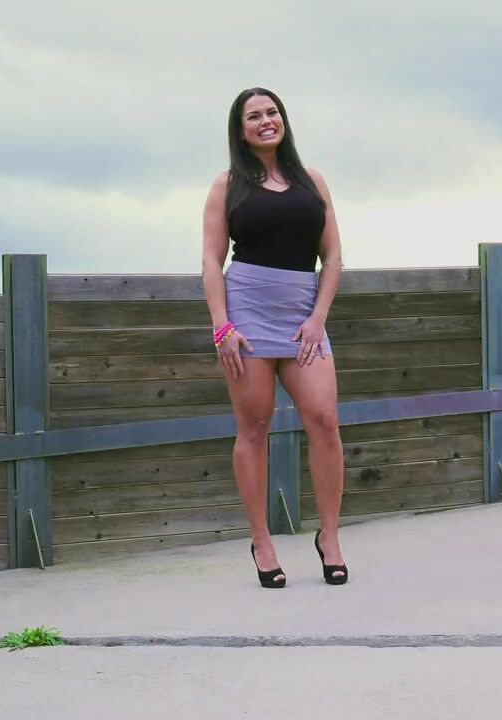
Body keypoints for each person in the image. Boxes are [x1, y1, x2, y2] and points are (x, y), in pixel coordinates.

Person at [200, 87, 348, 588]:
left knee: (324, 419)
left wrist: (318, 318)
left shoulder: (313, 181)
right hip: (247, 315)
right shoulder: (227, 186)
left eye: (273, 112)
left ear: (283, 119)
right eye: (254, 116)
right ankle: (262, 542)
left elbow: (333, 256)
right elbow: (211, 261)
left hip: (303, 315)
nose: (266, 121)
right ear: (240, 130)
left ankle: (329, 537)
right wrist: (222, 325)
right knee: (254, 427)